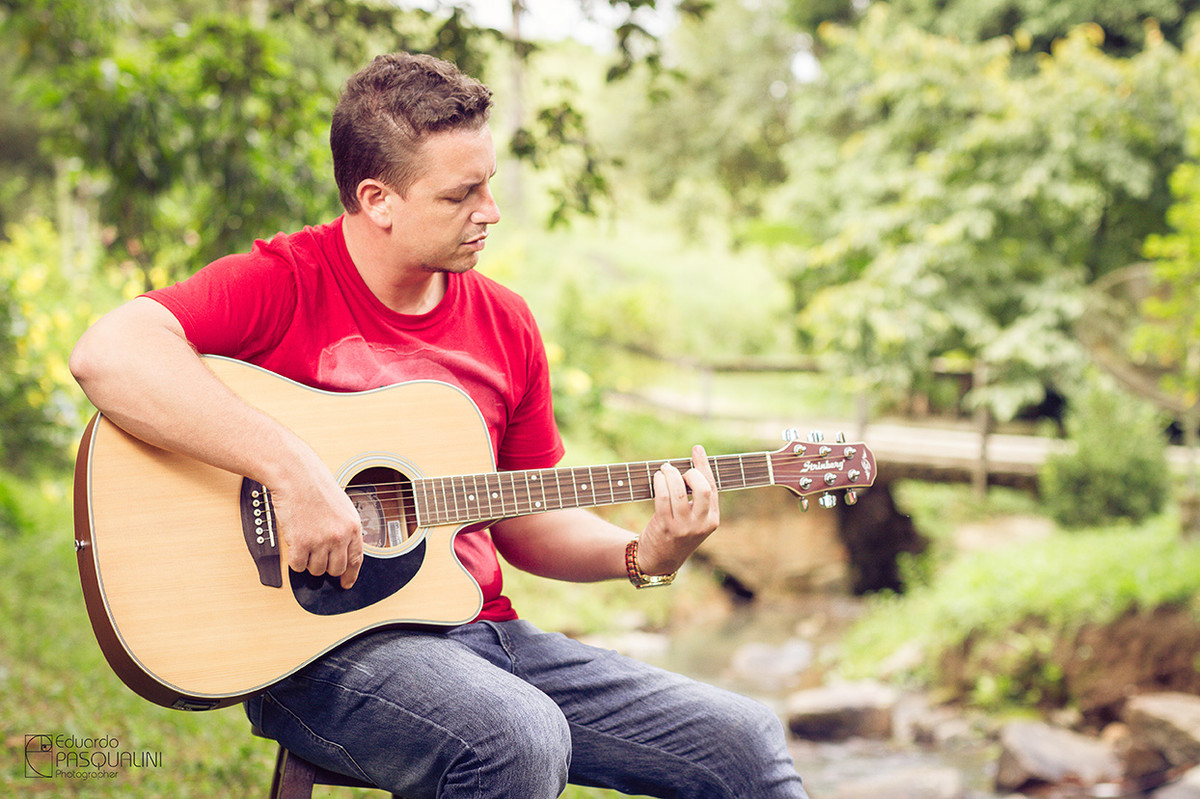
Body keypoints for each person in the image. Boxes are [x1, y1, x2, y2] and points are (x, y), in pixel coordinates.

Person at [69, 51, 808, 798]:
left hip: (485, 634)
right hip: (319, 651)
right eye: (463, 193)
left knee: (743, 742)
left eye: (489, 183)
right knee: (516, 736)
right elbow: (109, 353)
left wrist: (645, 552)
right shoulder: (285, 283)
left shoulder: (505, 322)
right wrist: (290, 470)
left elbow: (524, 519)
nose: (490, 210)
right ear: (378, 199)